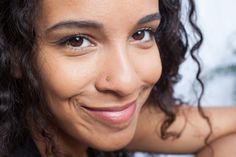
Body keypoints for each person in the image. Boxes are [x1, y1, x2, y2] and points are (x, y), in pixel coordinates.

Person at [0, 0, 236, 157]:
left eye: (141, 34)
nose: (126, 82)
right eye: (77, 41)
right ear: (14, 55)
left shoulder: (93, 121)